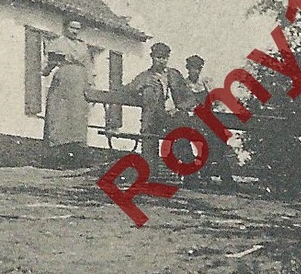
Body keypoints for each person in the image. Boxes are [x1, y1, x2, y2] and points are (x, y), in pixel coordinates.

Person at [86, 42, 191, 178]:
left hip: (174, 118)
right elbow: (126, 91)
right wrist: (139, 88)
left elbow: (190, 98)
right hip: (153, 119)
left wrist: (178, 108)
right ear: (152, 57)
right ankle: (150, 176)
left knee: (181, 137)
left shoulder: (174, 75)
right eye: (158, 57)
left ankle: (189, 174)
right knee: (148, 137)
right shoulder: (145, 77)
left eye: (164, 57)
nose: (161, 61)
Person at [41, 18, 92, 168]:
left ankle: (76, 159)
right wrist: (50, 65)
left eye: (78, 28)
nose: (75, 31)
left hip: (79, 84)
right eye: (72, 27)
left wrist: (90, 85)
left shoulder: (83, 46)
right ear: (65, 27)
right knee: (60, 118)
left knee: (77, 119)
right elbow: (46, 68)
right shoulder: (57, 43)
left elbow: (88, 67)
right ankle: (56, 159)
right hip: (63, 83)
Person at [183, 54, 235, 189]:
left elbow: (218, 100)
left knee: (217, 144)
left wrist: (217, 111)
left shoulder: (206, 82)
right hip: (192, 120)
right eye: (192, 68)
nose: (195, 71)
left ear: (201, 69)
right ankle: (191, 177)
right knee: (184, 142)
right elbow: (180, 102)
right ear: (188, 69)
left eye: (198, 68)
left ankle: (226, 179)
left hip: (208, 119)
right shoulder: (184, 84)